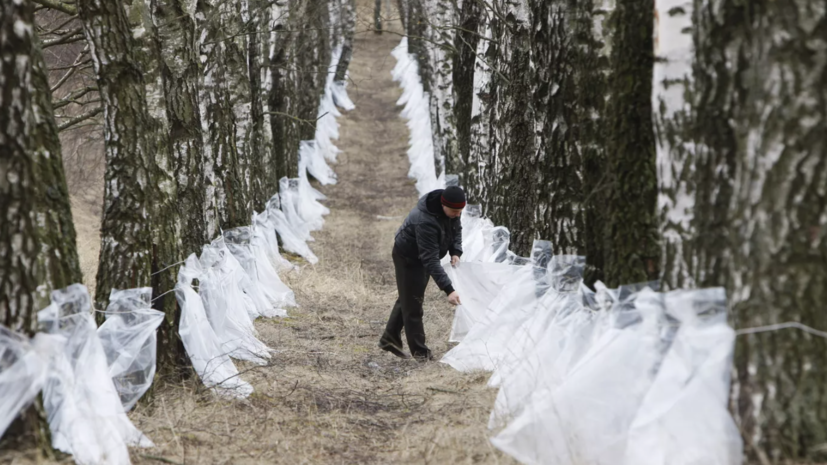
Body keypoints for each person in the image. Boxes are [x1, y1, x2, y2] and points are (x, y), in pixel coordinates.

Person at [378, 186, 465, 360]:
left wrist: (455, 250)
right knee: (414, 305)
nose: (457, 214)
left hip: (422, 256)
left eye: (460, 211)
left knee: (409, 298)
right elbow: (430, 260)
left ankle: (389, 339)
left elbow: (456, 229)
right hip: (408, 258)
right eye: (455, 211)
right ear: (443, 205)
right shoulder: (425, 221)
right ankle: (421, 354)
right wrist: (449, 289)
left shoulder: (452, 210)